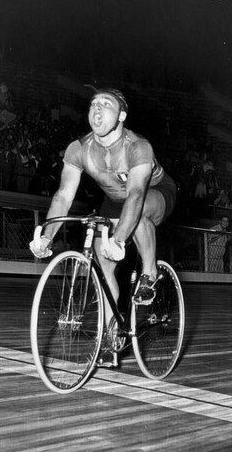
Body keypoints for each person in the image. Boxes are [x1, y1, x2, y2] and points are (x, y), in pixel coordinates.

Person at [29, 88, 177, 365]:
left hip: (153, 193)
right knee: (104, 265)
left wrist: (119, 239)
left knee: (139, 211)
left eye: (106, 104)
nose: (97, 109)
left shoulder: (138, 146)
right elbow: (63, 196)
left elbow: (135, 195)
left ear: (122, 115)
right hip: (113, 200)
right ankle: (111, 338)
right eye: (93, 104)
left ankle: (149, 273)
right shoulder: (79, 148)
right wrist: (46, 236)